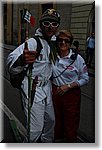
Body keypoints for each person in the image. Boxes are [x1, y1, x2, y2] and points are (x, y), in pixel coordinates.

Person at [6, 9, 60, 143]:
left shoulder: (52, 43)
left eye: (54, 24)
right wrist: (22, 60)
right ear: (41, 24)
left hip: (46, 88)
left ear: (57, 26)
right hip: (33, 88)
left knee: (50, 121)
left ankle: (46, 143)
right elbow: (11, 64)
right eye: (46, 23)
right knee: (35, 129)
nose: (50, 27)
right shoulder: (33, 42)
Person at [52, 30, 89, 143]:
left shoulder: (77, 59)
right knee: (55, 120)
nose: (63, 43)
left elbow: (85, 78)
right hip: (55, 93)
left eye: (66, 41)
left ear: (70, 43)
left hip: (71, 94)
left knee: (70, 122)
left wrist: (68, 86)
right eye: (60, 40)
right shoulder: (52, 56)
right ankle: (58, 141)